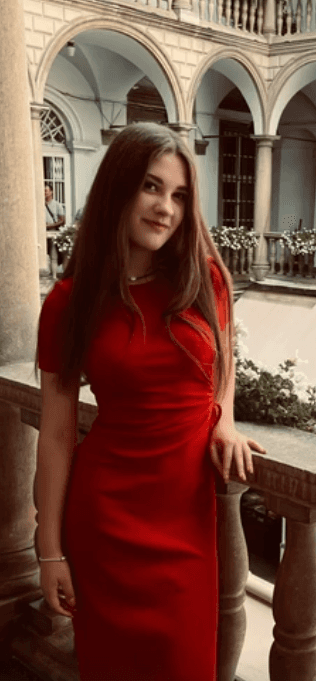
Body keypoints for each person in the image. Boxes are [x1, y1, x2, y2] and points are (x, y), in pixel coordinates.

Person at [36, 122, 266, 681]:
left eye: (181, 195)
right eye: (151, 187)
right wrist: (49, 552)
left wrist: (224, 421)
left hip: (186, 520)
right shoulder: (70, 301)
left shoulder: (204, 278)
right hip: (106, 520)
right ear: (118, 188)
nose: (167, 207)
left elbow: (224, 359)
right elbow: (58, 434)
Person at [45, 183, 65, 271]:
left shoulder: (57, 205)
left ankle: (53, 275)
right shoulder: (38, 205)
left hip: (52, 232)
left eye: (46, 190)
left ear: (51, 192)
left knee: (53, 254)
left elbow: (62, 220)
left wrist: (50, 225)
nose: (44, 192)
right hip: (41, 232)